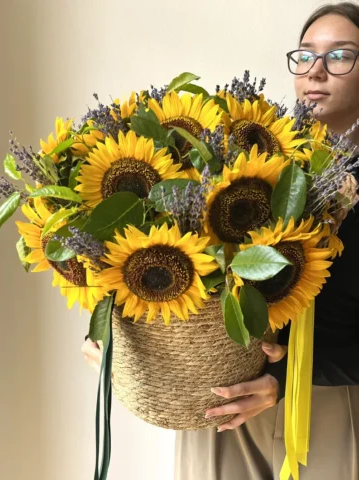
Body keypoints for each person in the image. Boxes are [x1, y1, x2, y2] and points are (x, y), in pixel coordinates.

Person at [82, 3, 359, 478]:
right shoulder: (247, 157)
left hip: (329, 405)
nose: (316, 70)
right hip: (220, 402)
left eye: (341, 56)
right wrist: (114, 332)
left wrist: (289, 377)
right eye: (306, 55)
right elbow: (180, 260)